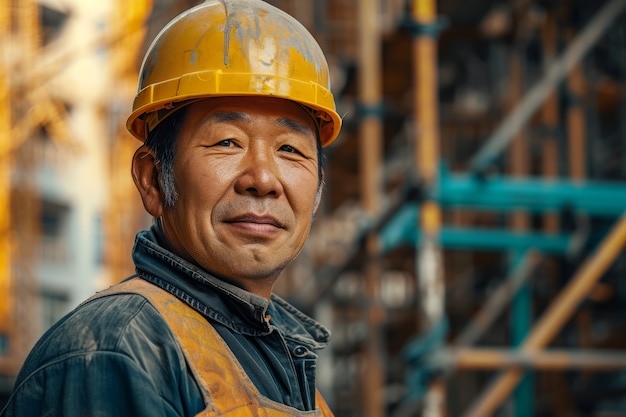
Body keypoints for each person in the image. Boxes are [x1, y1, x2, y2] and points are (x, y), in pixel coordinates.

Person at [1, 0, 342, 415]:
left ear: (319, 191)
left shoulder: (287, 368)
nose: (263, 179)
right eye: (226, 142)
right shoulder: (116, 353)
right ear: (151, 179)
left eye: (290, 149)